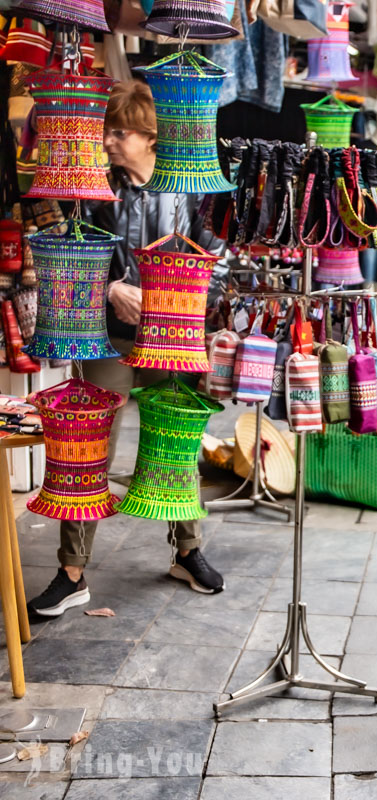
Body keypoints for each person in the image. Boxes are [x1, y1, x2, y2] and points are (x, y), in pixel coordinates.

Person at [28, 80, 227, 619]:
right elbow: (71, 257)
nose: (109, 142)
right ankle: (71, 573)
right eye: (107, 132)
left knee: (176, 442)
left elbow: (221, 258)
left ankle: (188, 551)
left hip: (174, 341)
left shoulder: (192, 191)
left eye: (120, 133)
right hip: (107, 338)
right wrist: (111, 287)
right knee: (83, 447)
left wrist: (182, 298)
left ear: (149, 136)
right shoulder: (95, 191)